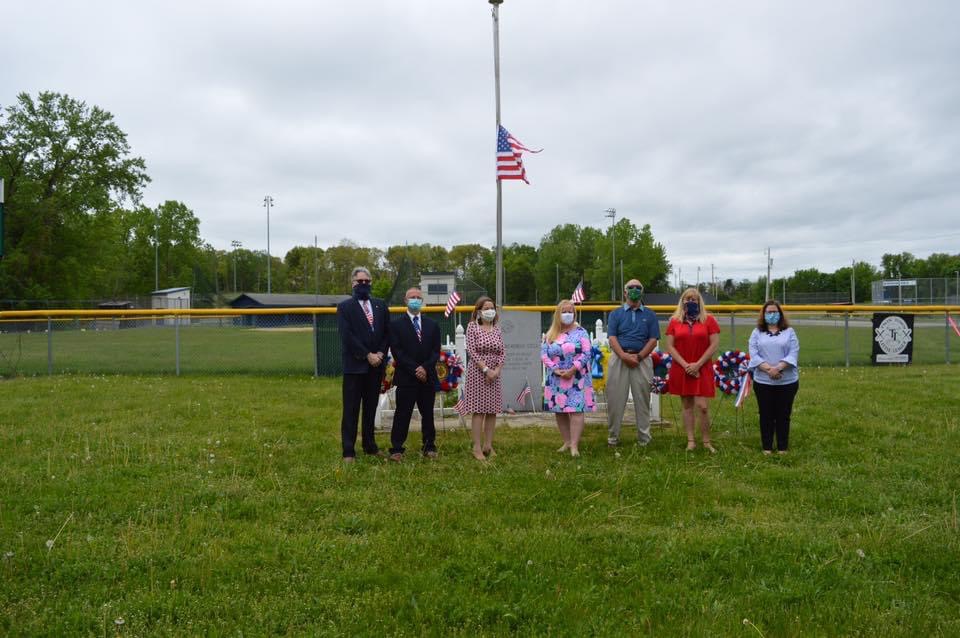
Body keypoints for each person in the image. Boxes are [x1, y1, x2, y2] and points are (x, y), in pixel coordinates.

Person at [336, 267, 390, 462]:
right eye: (360, 281)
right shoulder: (345, 307)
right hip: (354, 366)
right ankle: (348, 450)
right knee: (351, 409)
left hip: (376, 367)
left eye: (367, 281)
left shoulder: (380, 305)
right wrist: (367, 354)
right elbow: (347, 336)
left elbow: (386, 332)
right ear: (353, 283)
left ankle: (370, 445)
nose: (364, 284)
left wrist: (380, 354)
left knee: (370, 408)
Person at [387, 287, 441, 461]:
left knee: (428, 413)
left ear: (422, 300)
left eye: (418, 297)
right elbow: (398, 352)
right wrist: (415, 369)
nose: (415, 300)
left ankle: (429, 446)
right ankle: (396, 448)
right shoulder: (395, 325)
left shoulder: (433, 325)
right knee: (403, 413)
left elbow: (435, 351)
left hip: (428, 377)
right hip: (406, 377)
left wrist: (425, 368)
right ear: (405, 300)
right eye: (412, 297)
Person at [605, 279, 660, 447]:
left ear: (642, 292)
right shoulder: (616, 314)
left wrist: (639, 357)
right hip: (620, 359)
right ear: (625, 292)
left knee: (642, 399)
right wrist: (623, 355)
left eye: (638, 287)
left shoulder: (650, 315)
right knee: (615, 399)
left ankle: (644, 438)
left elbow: (653, 339)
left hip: (641, 360)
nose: (634, 290)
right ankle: (613, 437)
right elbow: (612, 337)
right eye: (631, 287)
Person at [665, 288, 720, 452]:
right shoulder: (675, 321)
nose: (691, 302)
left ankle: (706, 441)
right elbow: (669, 346)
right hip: (682, 368)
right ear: (682, 301)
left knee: (702, 406)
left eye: (694, 299)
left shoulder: (709, 320)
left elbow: (714, 344)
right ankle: (691, 441)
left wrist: (697, 364)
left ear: (699, 301)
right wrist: (686, 365)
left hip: (702, 367)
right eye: (687, 299)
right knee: (687, 405)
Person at [541, 300, 596, 456]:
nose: (567, 314)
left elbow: (587, 353)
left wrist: (573, 368)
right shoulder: (551, 333)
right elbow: (544, 354)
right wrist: (555, 369)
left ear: (574, 313)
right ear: (558, 314)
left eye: (570, 311)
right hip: (556, 378)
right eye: (564, 311)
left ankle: (574, 445)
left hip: (577, 377)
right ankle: (566, 441)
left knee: (576, 410)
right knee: (560, 411)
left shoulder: (581, 332)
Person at [748, 300, 800, 455]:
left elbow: (793, 353)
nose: (772, 315)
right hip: (763, 382)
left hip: (787, 382)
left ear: (780, 314)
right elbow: (754, 353)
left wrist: (778, 368)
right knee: (766, 415)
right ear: (763, 315)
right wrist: (769, 369)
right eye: (769, 312)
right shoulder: (756, 332)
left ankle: (783, 447)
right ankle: (767, 447)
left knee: (783, 415)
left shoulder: (789, 332)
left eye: (775, 312)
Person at [455, 296, 505, 461]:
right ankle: (476, 447)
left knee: (492, 411)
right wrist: (486, 370)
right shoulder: (472, 327)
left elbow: (502, 351)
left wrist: (496, 370)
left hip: (495, 375)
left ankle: (488, 445)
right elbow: (472, 351)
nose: (490, 311)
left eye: (492, 308)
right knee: (479, 411)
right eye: (486, 308)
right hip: (478, 374)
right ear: (478, 311)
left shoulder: (497, 329)